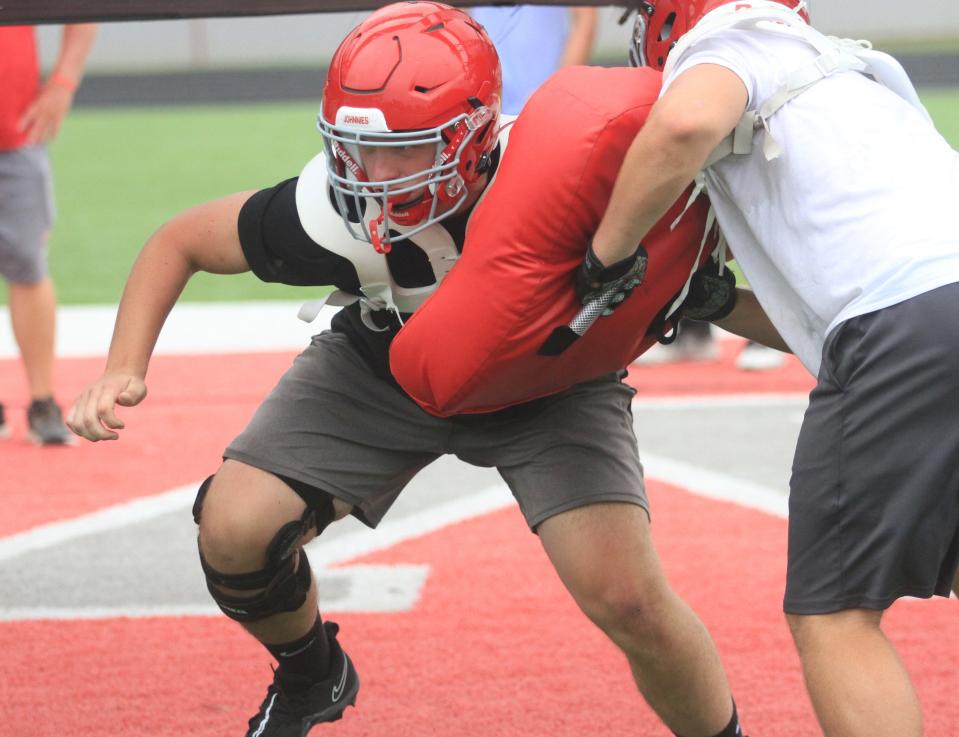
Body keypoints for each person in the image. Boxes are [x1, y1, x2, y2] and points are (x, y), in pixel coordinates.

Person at [68, 4, 748, 736]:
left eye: (407, 151)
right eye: (357, 150)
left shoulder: (566, 173)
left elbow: (709, 269)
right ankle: (310, 674)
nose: (375, 176)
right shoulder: (337, 210)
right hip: (385, 363)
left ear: (475, 136)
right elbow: (181, 241)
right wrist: (122, 367)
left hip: (550, 382)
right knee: (235, 529)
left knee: (629, 600)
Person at [587, 1, 959, 735]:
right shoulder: (851, 76)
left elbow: (685, 123)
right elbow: (825, 326)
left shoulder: (728, 43)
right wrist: (714, 299)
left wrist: (605, 255)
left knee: (833, 615)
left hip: (905, 321)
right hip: (922, 313)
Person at [0, 23, 97, 445]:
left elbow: (83, 12)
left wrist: (63, 81)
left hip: (16, 132)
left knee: (28, 264)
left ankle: (42, 400)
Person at [470, 4, 597, 115]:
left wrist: (557, 89)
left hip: (545, 102)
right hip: (484, 101)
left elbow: (585, 20)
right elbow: (458, 16)